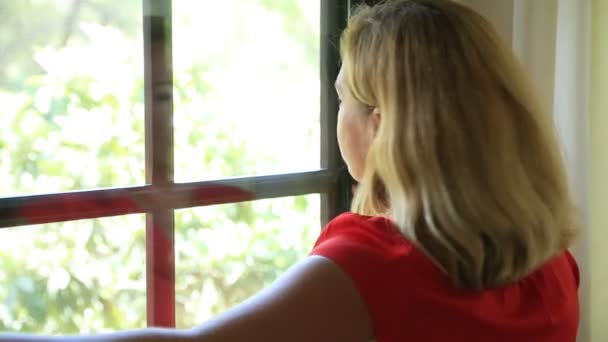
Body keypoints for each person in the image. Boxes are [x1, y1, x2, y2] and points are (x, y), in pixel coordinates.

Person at [1, 0, 580, 341]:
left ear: (378, 125)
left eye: (341, 101)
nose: (336, 119)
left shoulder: (374, 269)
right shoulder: (553, 265)